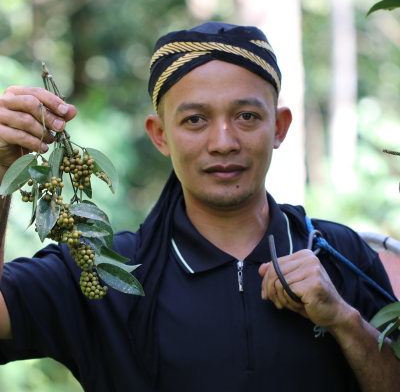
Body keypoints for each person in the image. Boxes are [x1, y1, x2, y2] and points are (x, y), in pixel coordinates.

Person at [0, 22, 399, 392]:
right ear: (160, 135)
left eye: (246, 116)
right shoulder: (102, 269)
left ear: (278, 127)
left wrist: (346, 321)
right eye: (194, 120)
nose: (223, 141)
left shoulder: (339, 254)